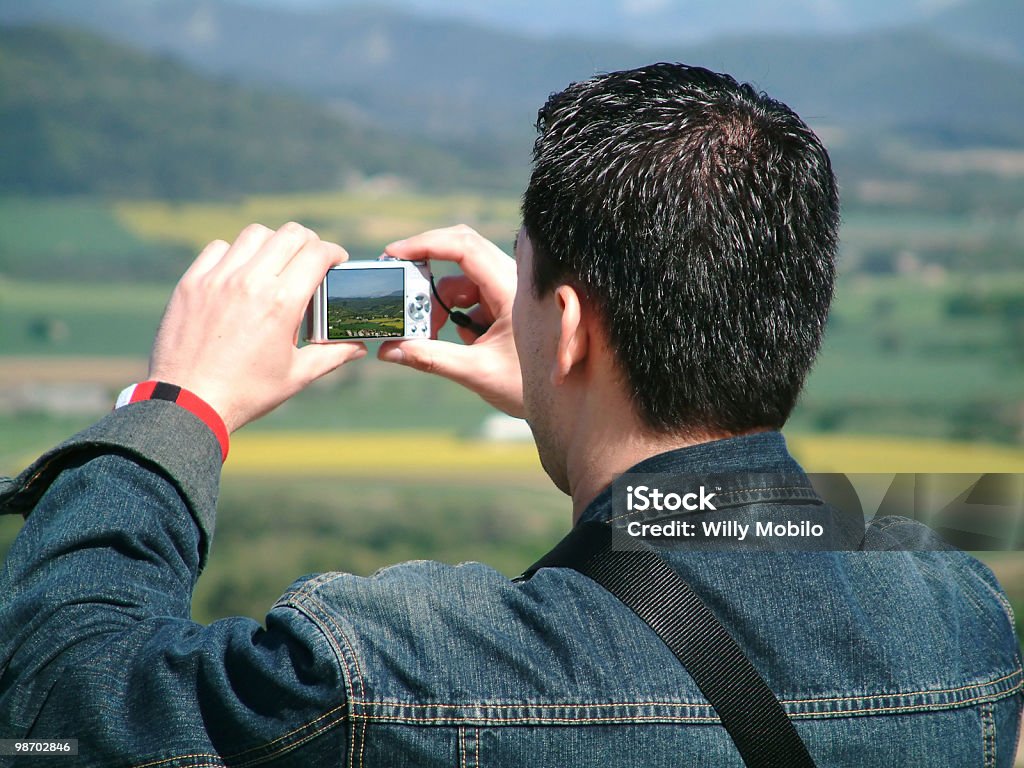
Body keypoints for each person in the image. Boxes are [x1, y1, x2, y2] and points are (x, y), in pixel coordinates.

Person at [1, 63, 1021, 766]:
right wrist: (575, 400)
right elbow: (770, 536)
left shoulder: (390, 671)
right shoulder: (961, 621)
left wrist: (178, 408)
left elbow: (61, 706)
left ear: (567, 326)